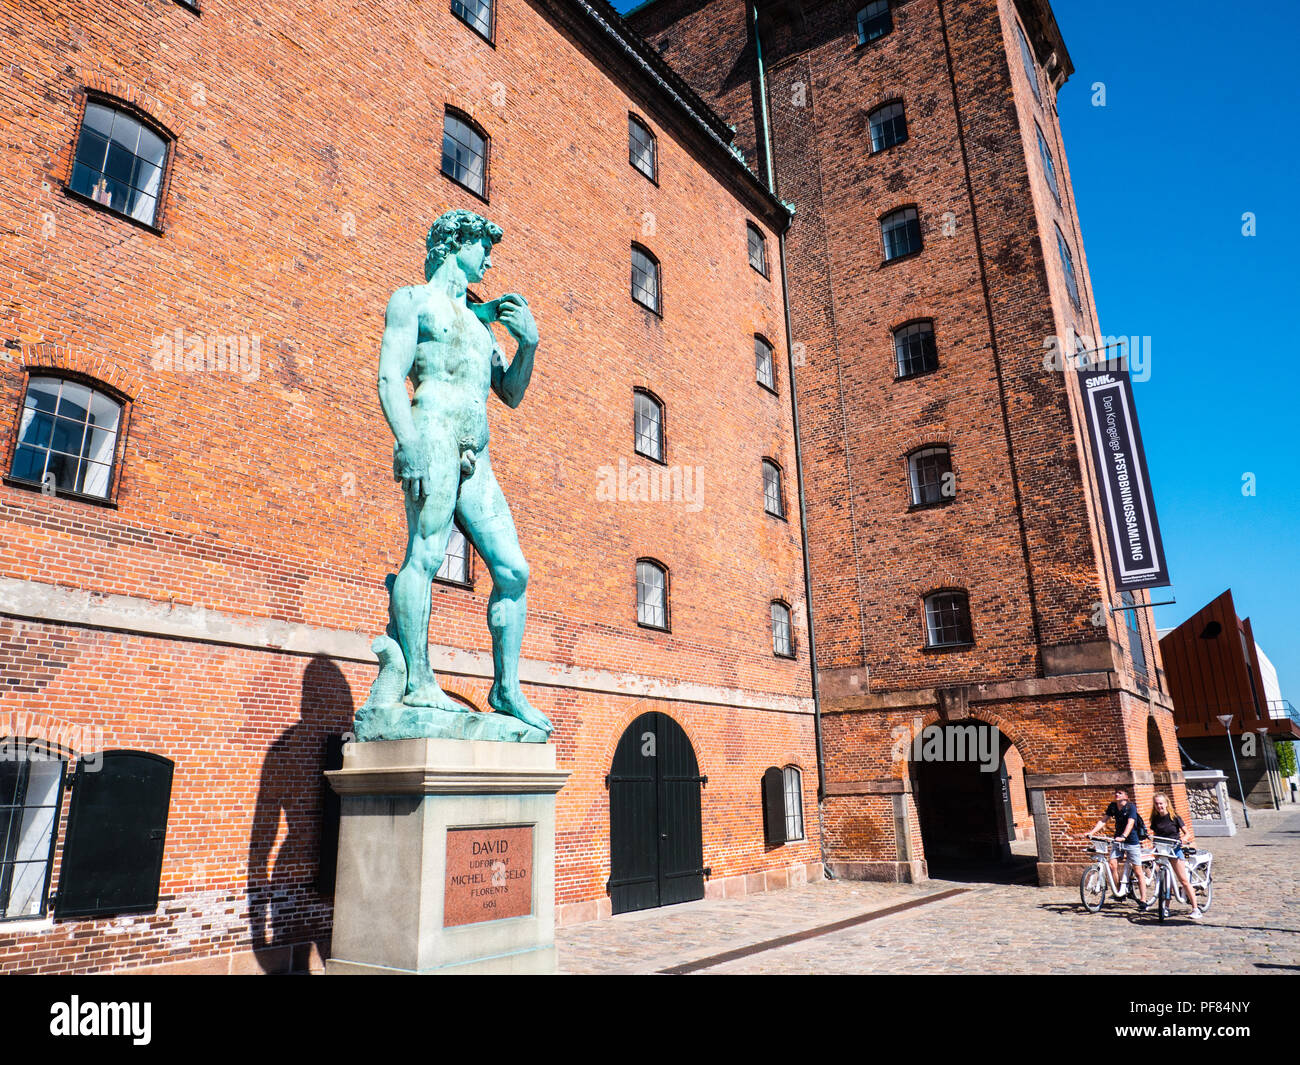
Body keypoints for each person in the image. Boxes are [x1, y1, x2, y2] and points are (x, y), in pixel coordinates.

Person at [375, 208, 551, 733]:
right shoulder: (412, 301)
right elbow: (389, 377)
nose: (490, 258)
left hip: (479, 451)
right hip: (432, 434)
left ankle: (506, 688)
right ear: (456, 243)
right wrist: (406, 442)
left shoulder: (480, 322)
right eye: (483, 247)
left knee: (514, 570)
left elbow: (512, 394)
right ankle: (418, 680)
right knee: (426, 554)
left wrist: (530, 345)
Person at [1089, 787, 1150, 909]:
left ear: (1126, 796)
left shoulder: (1131, 807)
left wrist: (1124, 836)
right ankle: (1118, 892)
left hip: (1131, 841)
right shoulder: (1112, 806)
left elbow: (1130, 823)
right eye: (1116, 793)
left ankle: (1143, 899)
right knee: (1112, 865)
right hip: (1117, 840)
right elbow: (1103, 821)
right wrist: (1092, 832)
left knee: (1137, 870)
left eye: (1120, 793)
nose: (1117, 794)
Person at [1150, 792, 1203, 920]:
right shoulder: (1155, 818)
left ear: (1166, 803)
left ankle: (1196, 909)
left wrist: (1182, 840)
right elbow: (1155, 834)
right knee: (1165, 879)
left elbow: (1187, 834)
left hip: (1175, 849)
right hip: (1162, 850)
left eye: (1161, 803)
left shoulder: (1174, 817)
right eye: (1156, 804)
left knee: (1183, 880)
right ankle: (1166, 908)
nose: (1159, 806)